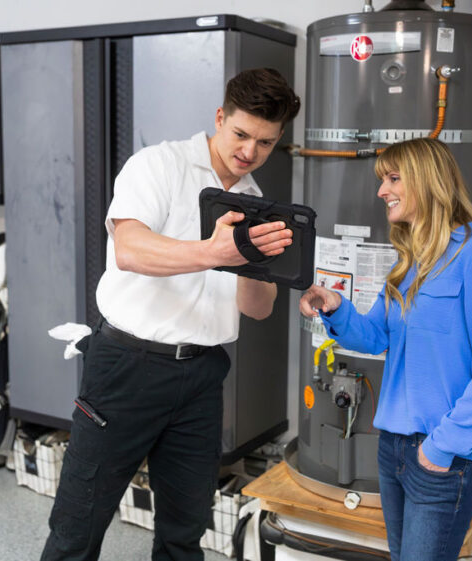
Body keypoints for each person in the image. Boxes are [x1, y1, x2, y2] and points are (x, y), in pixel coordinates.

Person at [41, 68, 300, 561]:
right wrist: (217, 251)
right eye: (240, 134)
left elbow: (257, 310)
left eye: (265, 143)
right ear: (220, 118)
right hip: (126, 366)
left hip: (202, 375)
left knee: (185, 531)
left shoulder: (255, 203)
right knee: (78, 524)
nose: (249, 152)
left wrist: (254, 260)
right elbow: (132, 251)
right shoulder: (158, 165)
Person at [299, 138, 472, 561]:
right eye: (383, 180)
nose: (381, 191)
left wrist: (440, 447)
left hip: (444, 453)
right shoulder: (409, 263)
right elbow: (374, 338)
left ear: (428, 182)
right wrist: (336, 307)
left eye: (394, 179)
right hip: (394, 447)